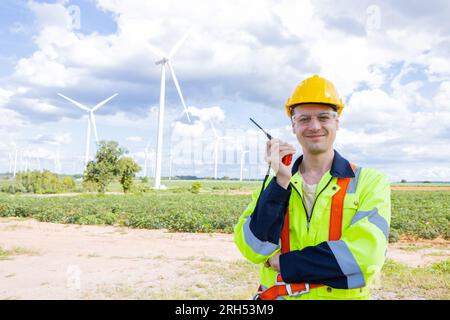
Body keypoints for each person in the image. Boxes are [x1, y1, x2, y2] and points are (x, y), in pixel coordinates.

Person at [234, 75, 391, 300]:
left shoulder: (370, 182)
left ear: (337, 122)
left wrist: (284, 264)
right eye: (304, 119)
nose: (314, 126)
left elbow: (366, 255)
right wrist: (280, 183)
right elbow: (252, 248)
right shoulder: (275, 185)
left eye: (323, 117)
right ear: (294, 125)